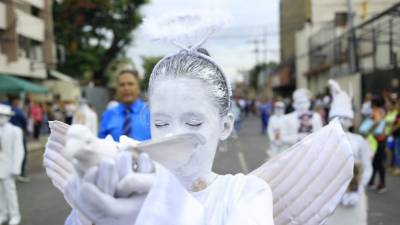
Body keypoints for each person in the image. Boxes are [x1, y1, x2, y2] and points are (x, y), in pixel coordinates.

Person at [43, 12, 354, 225]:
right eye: (161, 123)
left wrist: (166, 209)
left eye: (193, 123)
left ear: (226, 125)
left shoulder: (246, 194)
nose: (173, 137)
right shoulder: (126, 190)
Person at [325, 80, 372, 225]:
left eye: (344, 118)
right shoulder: (324, 141)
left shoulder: (359, 141)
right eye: (336, 117)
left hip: (354, 195)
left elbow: (367, 167)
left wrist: (359, 190)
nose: (340, 121)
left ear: (351, 121)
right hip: (331, 199)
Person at [98, 70, 151, 141]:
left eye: (130, 84)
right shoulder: (108, 115)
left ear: (138, 88)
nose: (126, 88)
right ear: (116, 89)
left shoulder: (150, 113)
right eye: (122, 85)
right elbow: (101, 145)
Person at [0, 104, 24, 225]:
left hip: (9, 167)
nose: (0, 118)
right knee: (0, 193)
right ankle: (3, 214)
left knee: (10, 193)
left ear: (8, 117)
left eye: (2, 116)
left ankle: (15, 215)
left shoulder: (15, 131)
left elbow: (19, 150)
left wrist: (16, 168)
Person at [7, 95, 30, 182]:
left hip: (8, 134)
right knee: (22, 152)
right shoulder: (17, 110)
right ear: (14, 101)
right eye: (17, 100)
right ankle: (21, 173)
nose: (18, 102)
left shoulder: (6, 109)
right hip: (19, 133)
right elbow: (24, 121)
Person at [367, 97, 387, 193]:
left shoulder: (378, 111)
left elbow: (377, 123)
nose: (370, 105)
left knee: (379, 163)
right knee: (376, 162)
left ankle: (382, 184)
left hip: (380, 139)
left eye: (372, 103)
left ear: (374, 104)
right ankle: (371, 182)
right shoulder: (381, 111)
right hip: (378, 139)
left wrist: (369, 129)